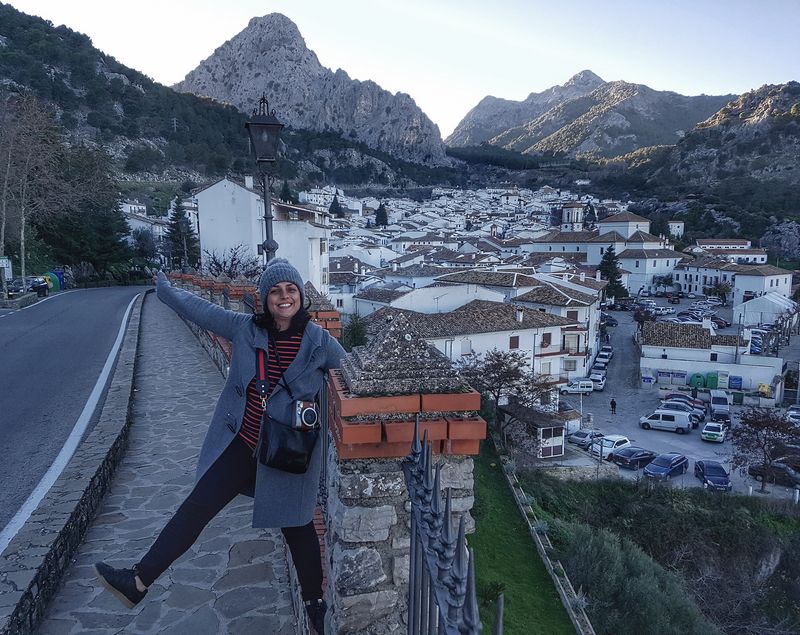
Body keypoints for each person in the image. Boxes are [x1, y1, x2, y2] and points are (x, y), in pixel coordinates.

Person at [94, 259, 345, 635]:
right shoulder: (244, 329)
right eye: (275, 291)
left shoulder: (320, 342)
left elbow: (354, 377)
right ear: (263, 299)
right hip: (242, 445)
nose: (284, 297)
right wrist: (165, 290)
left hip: (287, 453)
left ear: (300, 296)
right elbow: (200, 309)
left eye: (290, 290)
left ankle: (314, 606)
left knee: (299, 527)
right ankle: (139, 581)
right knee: (197, 508)